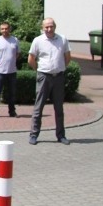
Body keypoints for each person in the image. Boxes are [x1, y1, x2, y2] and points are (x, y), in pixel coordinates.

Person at [28, 17, 71, 146]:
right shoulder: (38, 41)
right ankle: (34, 135)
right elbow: (31, 59)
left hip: (58, 77)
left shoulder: (62, 39)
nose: (49, 29)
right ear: (43, 28)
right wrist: (39, 70)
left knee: (59, 108)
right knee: (38, 107)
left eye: (51, 26)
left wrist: (59, 68)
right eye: (46, 27)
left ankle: (61, 135)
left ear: (55, 27)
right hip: (44, 77)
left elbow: (67, 57)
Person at [0, 21, 20, 119]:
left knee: (12, 93)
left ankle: (12, 112)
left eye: (6, 28)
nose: (4, 30)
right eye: (2, 29)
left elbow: (17, 54)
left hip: (12, 71)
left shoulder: (15, 40)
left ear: (9, 29)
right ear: (0, 30)